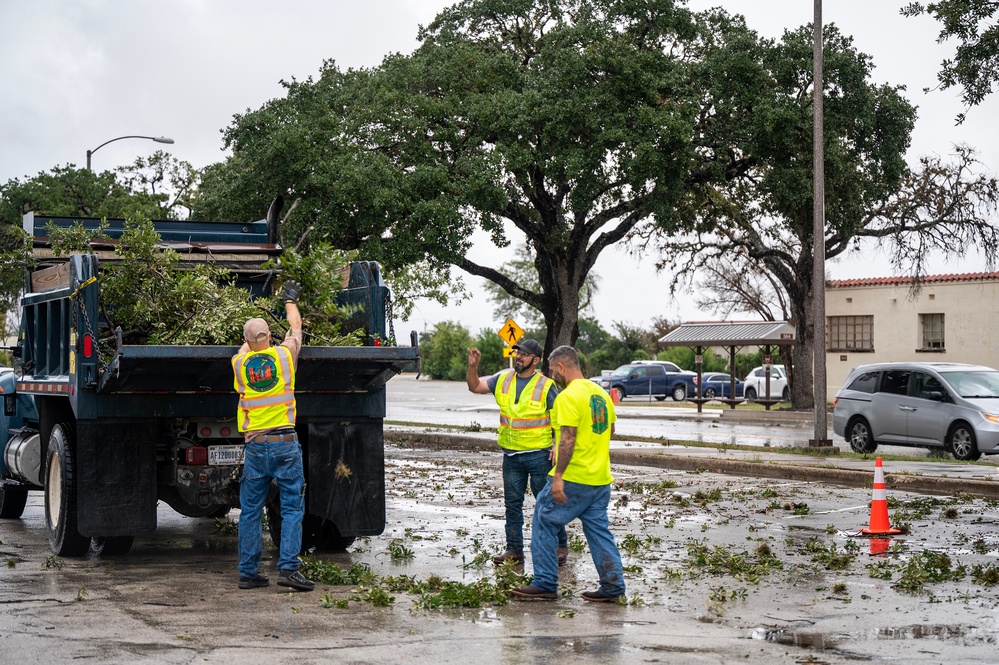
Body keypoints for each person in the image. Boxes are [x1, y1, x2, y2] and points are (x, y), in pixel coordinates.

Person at [512, 345, 625, 602]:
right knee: (598, 531)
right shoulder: (600, 394)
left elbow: (567, 439)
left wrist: (559, 476)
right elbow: (612, 429)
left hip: (575, 476)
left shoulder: (567, 396)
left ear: (561, 367)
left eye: (553, 370)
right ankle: (613, 586)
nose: (552, 375)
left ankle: (544, 583)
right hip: (599, 479)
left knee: (543, 519)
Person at [232, 279, 315, 592]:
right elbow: (295, 329)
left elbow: (247, 345)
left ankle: (248, 573)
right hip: (285, 445)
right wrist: (289, 299)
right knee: (292, 507)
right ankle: (289, 570)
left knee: (250, 511)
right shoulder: (284, 357)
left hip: (255, 448)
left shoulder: (240, 363)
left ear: (248, 341)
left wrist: (250, 340)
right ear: (268, 337)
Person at [466, 339, 569, 566]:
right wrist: (473, 366)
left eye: (524, 354)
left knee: (546, 503)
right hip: (511, 456)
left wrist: (556, 446)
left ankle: (560, 545)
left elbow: (560, 419)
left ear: (536, 360)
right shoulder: (503, 379)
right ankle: (514, 550)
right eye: (518, 353)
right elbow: (474, 386)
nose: (519, 356)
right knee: (512, 504)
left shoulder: (546, 385)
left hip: (539, 455)